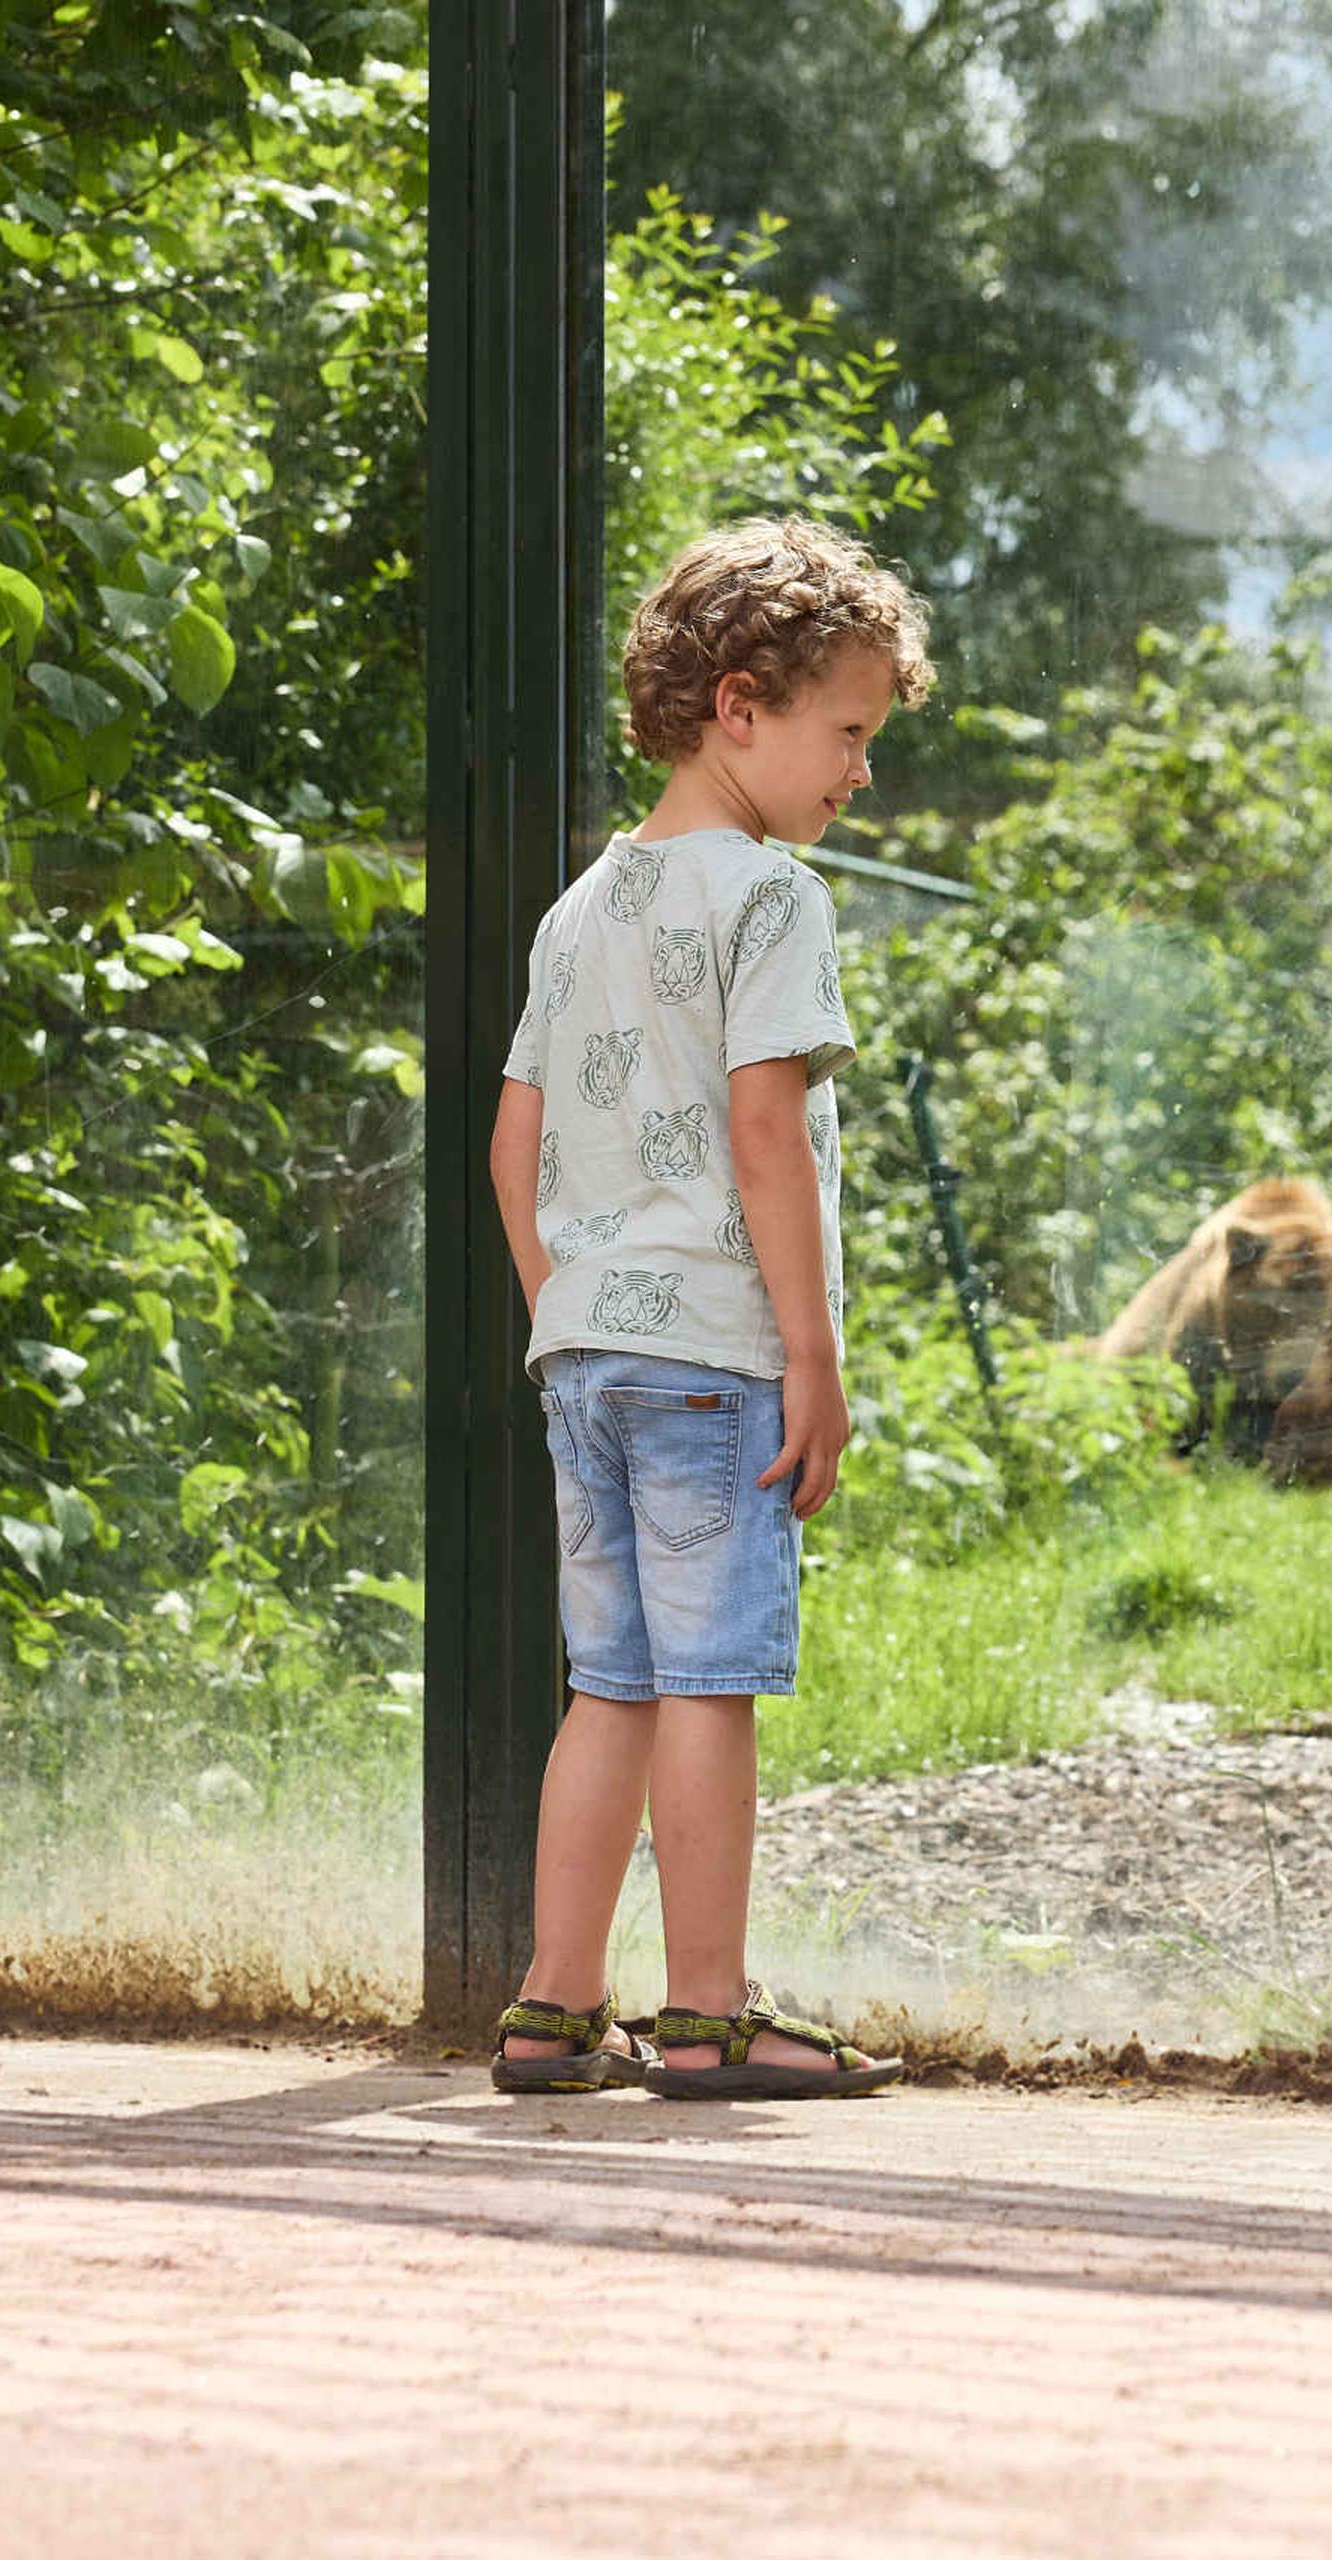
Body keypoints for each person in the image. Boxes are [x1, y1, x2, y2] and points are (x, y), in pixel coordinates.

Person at [481, 515, 931, 2097]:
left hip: (589, 1357)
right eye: (850, 734)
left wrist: (567, 1316)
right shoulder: (771, 898)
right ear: (741, 707)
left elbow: (513, 1139)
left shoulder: (581, 907)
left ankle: (551, 1998)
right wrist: (810, 1349)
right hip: (710, 1363)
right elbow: (761, 1127)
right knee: (709, 1681)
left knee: (606, 1682)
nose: (860, 776)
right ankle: (709, 2011)